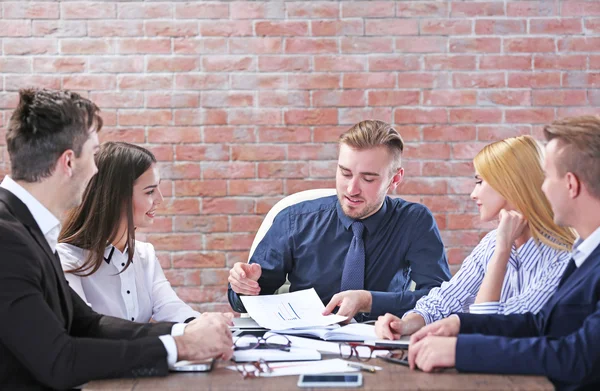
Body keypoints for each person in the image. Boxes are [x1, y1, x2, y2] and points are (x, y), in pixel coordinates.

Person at [0, 89, 232, 390]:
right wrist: (181, 348)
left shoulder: (29, 229)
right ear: (68, 162)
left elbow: (88, 324)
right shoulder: (6, 238)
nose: (97, 170)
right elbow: (59, 359)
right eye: (93, 154)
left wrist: (184, 332)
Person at [406, 116, 600, 391]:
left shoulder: (570, 257)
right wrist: (460, 325)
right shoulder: (587, 254)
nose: (541, 188)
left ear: (571, 184)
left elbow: (576, 356)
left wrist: (460, 350)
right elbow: (540, 323)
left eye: (547, 177)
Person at [227, 120, 451, 321]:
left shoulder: (414, 221)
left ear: (395, 179)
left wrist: (369, 301)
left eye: (368, 178)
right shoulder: (294, 219)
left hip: (380, 342)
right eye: (345, 173)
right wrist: (245, 286)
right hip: (304, 344)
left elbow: (440, 299)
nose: (352, 189)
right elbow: (247, 302)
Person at [375, 135, 575, 339]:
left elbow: (489, 327)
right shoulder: (491, 243)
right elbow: (446, 299)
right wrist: (405, 323)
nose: (473, 194)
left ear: (511, 185)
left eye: (480, 182)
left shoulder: (563, 259)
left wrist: (503, 250)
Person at [57, 142, 200, 324]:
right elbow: (86, 329)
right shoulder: (67, 259)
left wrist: (204, 324)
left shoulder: (144, 254)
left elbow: (170, 307)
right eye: (149, 191)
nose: (160, 199)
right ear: (117, 197)